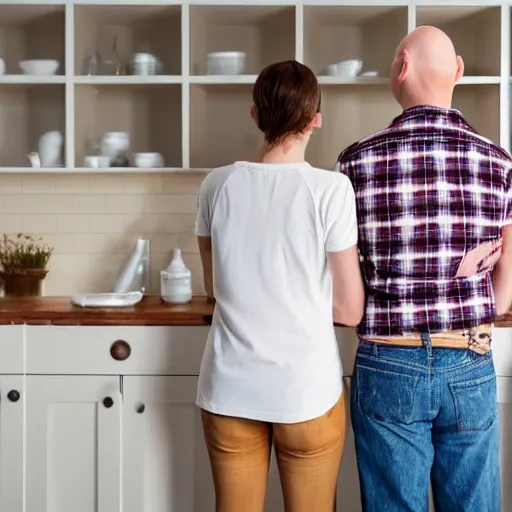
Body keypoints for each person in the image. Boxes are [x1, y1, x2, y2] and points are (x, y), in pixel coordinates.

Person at [336, 26, 512, 511]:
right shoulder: (499, 163)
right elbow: (503, 296)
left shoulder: (354, 163)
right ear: (457, 71)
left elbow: (345, 288)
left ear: (401, 69)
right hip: (469, 358)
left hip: (388, 360)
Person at [195, 60, 365, 512]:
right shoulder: (332, 190)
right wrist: (299, 300)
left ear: (255, 115)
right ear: (316, 118)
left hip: (230, 390)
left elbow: (215, 286)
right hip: (306, 392)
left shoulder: (217, 185)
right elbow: (350, 310)